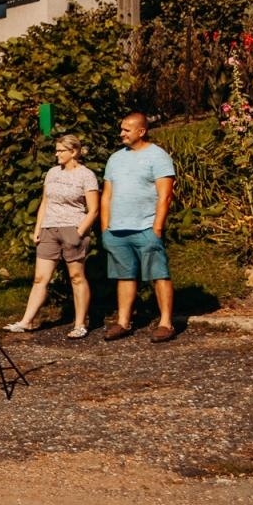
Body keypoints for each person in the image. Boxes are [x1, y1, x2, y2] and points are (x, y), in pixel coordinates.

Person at [4, 133, 98, 338]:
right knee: (40, 278)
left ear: (73, 152)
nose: (56, 154)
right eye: (56, 150)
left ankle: (80, 323)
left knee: (76, 276)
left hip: (72, 228)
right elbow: (45, 202)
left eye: (60, 151)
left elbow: (93, 209)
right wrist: (38, 228)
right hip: (49, 228)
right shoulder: (52, 173)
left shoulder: (86, 175)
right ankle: (26, 321)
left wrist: (79, 231)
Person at [100, 111, 177, 342]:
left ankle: (166, 323)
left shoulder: (158, 156)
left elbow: (165, 196)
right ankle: (123, 322)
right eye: (121, 129)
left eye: (126, 129)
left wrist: (157, 228)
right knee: (124, 276)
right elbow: (107, 195)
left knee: (159, 274)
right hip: (117, 229)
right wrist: (105, 227)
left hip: (146, 227)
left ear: (141, 131)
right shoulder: (115, 158)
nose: (121, 133)